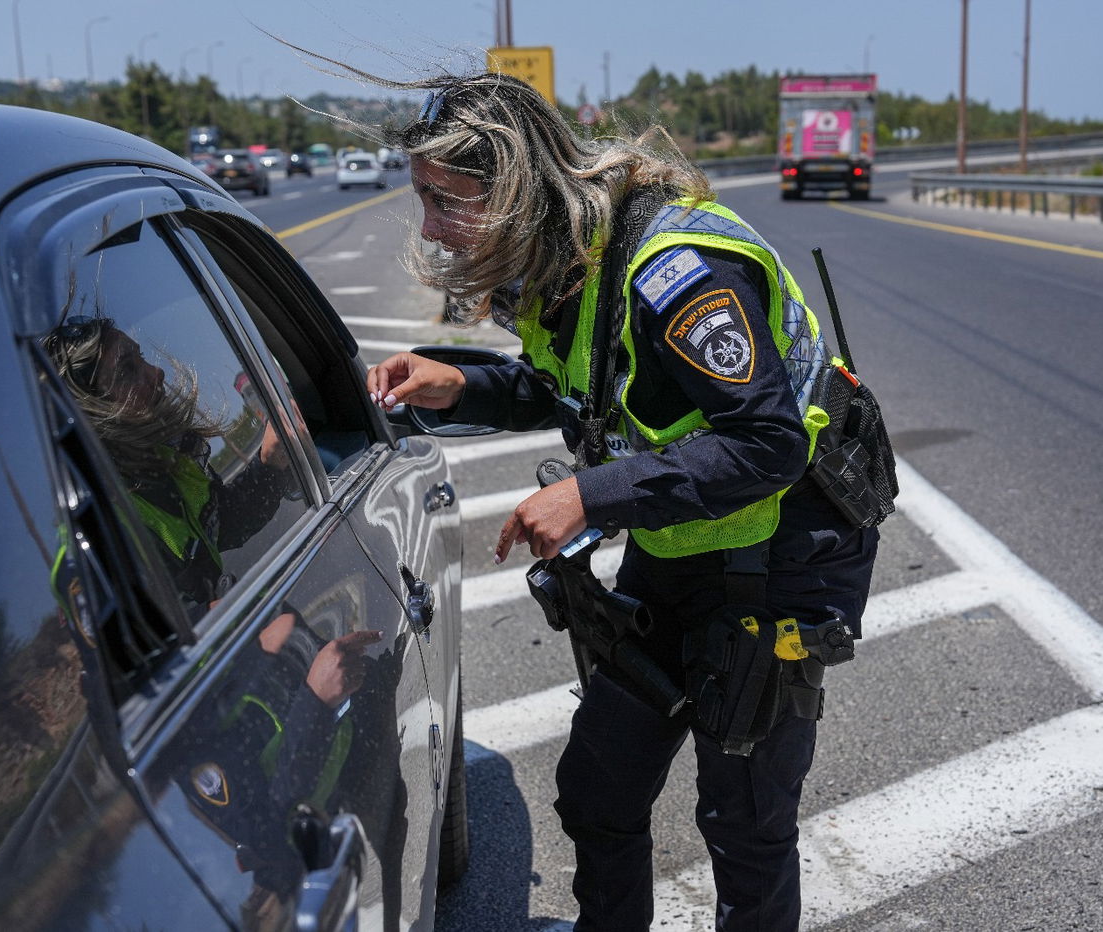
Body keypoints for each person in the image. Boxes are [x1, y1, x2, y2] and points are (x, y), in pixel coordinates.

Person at [362, 72, 881, 931]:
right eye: (421, 198)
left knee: (743, 822)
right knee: (598, 790)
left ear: (515, 189)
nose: (430, 227)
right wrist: (465, 386)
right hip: (679, 537)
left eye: (443, 201)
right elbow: (584, 392)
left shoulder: (675, 270)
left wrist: (589, 495)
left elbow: (768, 442)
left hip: (777, 556)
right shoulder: (567, 263)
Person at [43, 314, 297, 619]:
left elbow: (222, 526)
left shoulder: (167, 461)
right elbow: (149, 652)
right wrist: (231, 619)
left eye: (141, 358)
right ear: (89, 416)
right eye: (126, 372)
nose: (156, 372)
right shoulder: (94, 534)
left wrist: (268, 464)